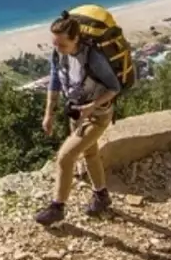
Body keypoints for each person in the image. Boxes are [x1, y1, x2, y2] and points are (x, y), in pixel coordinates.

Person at [35, 12, 122, 226]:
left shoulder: (93, 58)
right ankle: (101, 196)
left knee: (65, 157)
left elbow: (114, 88)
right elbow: (54, 83)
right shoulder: (58, 55)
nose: (57, 48)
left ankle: (57, 207)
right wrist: (49, 114)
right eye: (54, 43)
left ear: (75, 39)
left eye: (62, 44)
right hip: (76, 113)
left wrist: (91, 106)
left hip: (98, 116)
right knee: (90, 153)